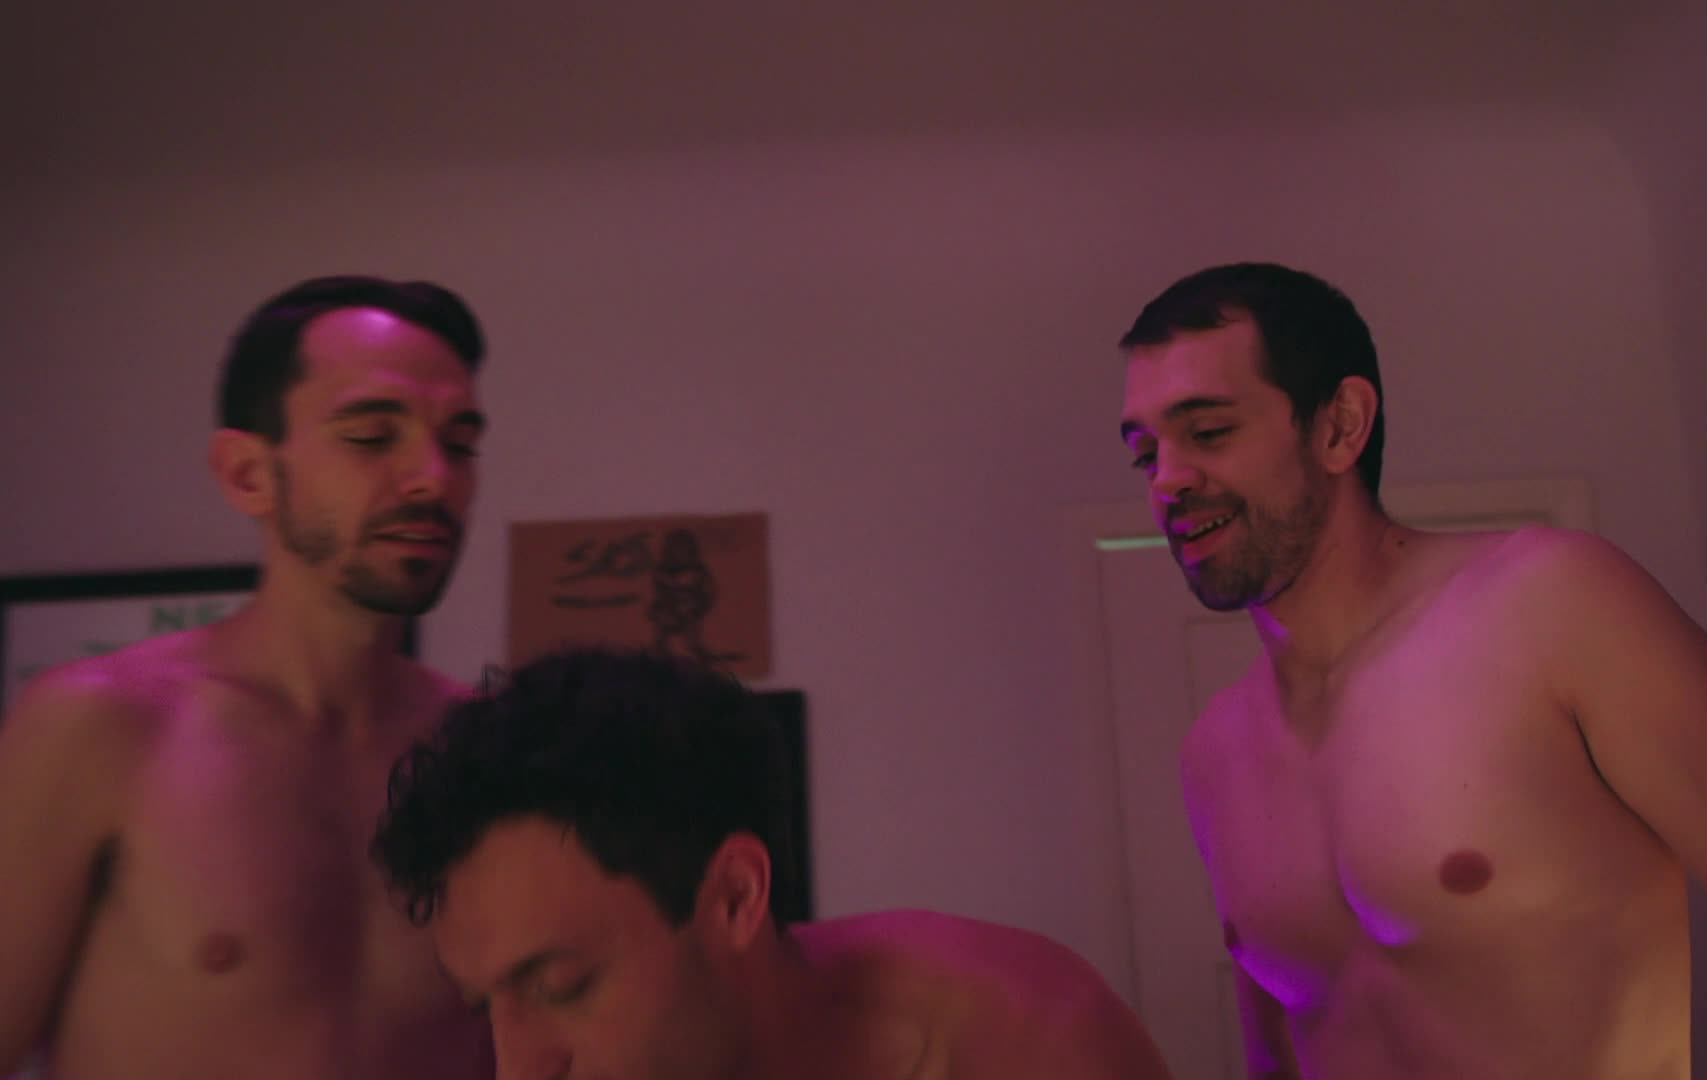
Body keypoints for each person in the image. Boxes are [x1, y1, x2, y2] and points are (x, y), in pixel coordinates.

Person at [1114, 261, 1707, 1079]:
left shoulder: (1553, 606)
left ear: (1340, 427)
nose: (1168, 481)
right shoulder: (1214, 753)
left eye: (1208, 432)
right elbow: (1281, 1057)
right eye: (1145, 453)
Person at [0, 275, 494, 1078]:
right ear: (246, 475)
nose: (433, 478)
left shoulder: (484, 757)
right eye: (372, 436)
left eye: (460, 444)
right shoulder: (98, 729)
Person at [370, 645, 1174, 1080]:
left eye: (563, 986)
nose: (519, 1071)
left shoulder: (1032, 1043)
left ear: (733, 897)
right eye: (487, 1007)